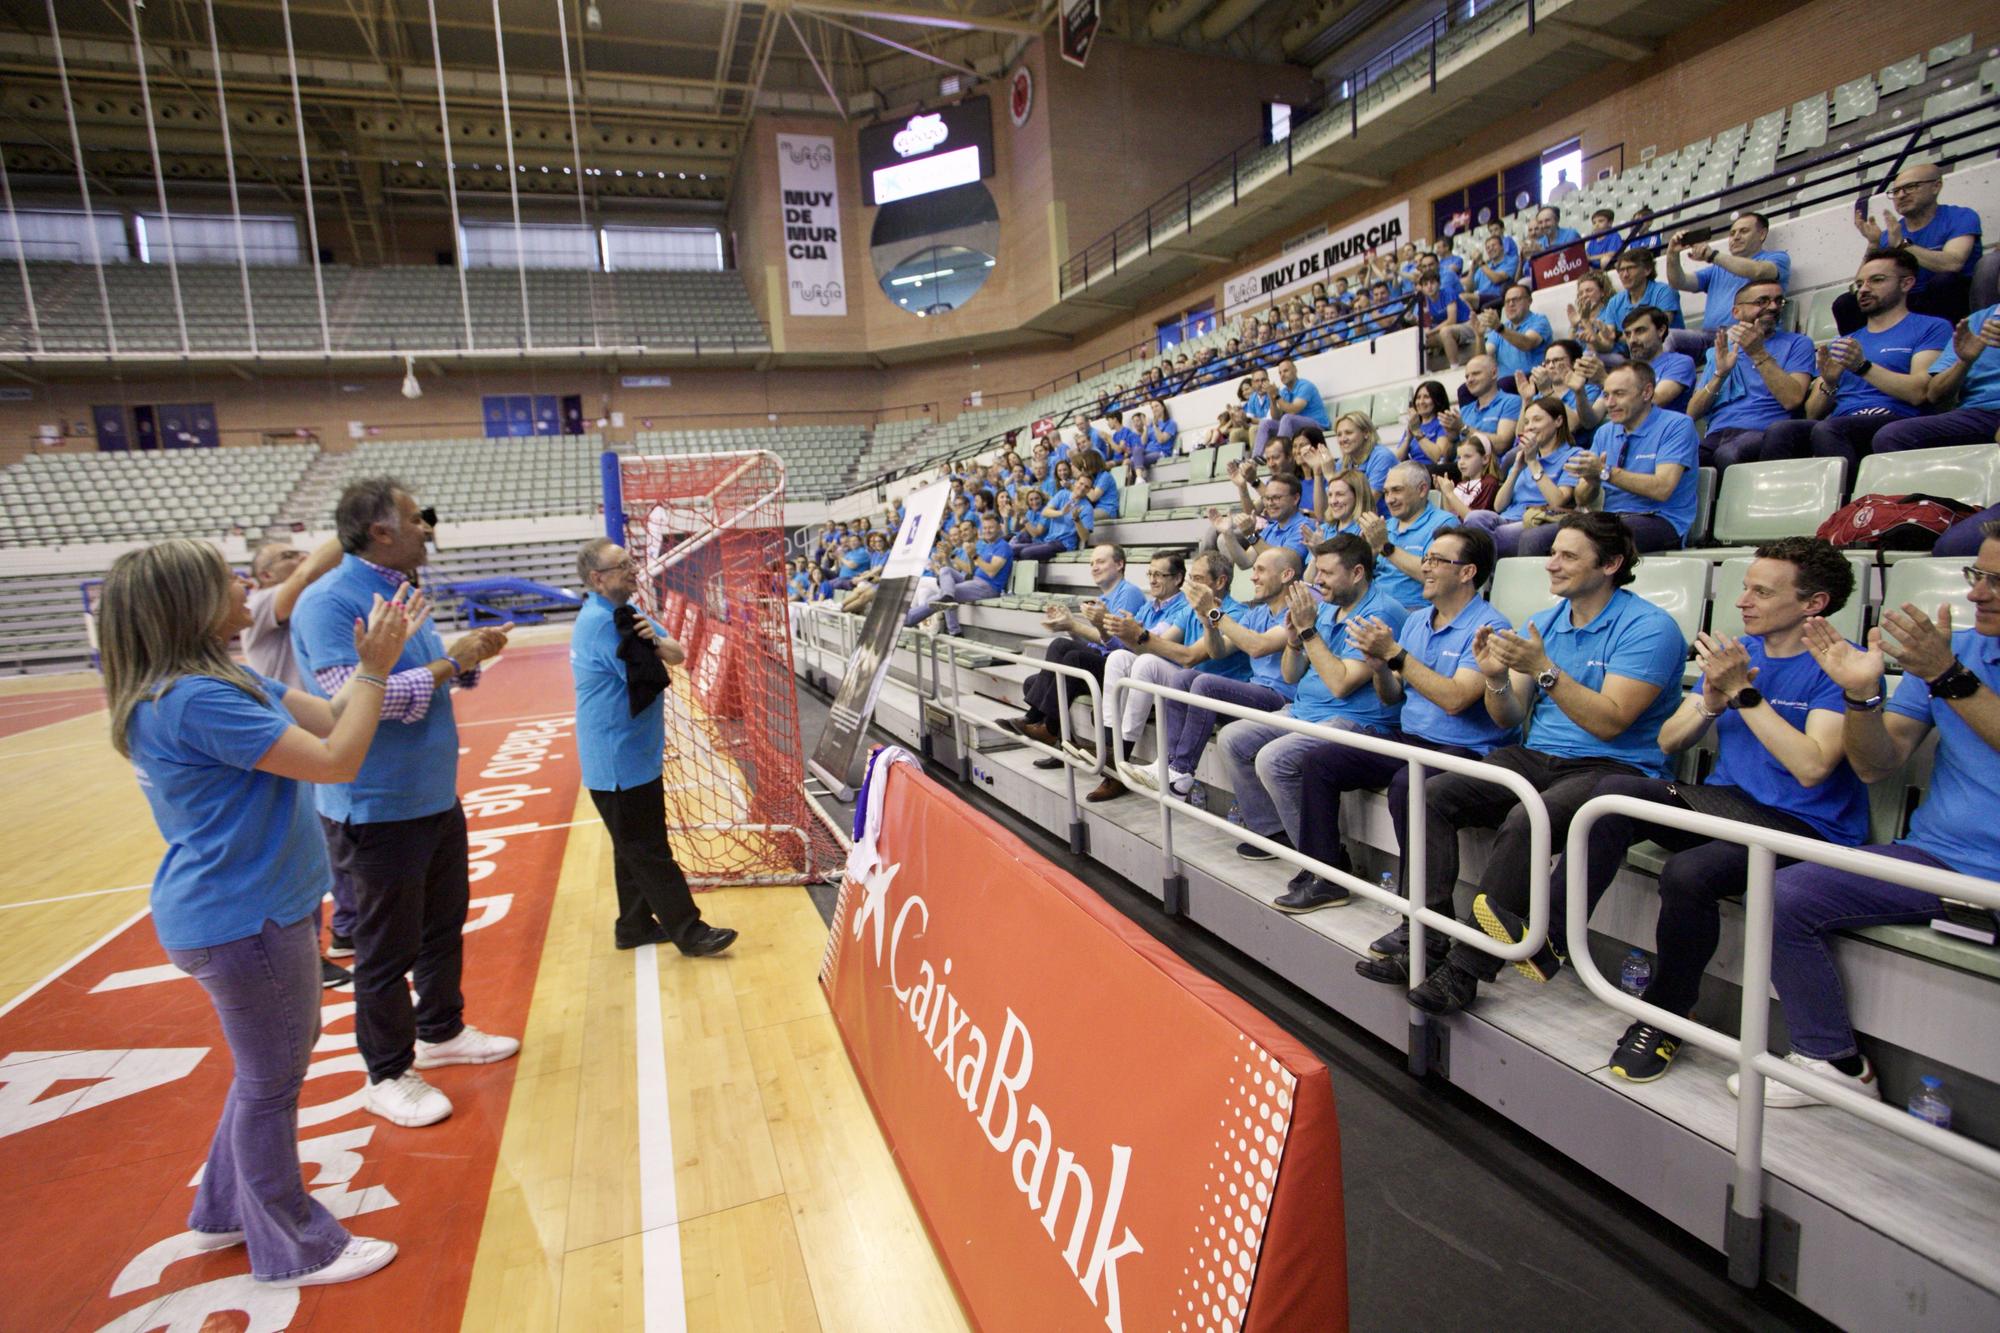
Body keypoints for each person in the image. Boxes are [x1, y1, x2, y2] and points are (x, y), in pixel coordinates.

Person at [105, 538, 422, 1288]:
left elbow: (334, 713)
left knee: (264, 1070)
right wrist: (376, 668)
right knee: (272, 1081)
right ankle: (294, 1244)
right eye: (226, 580)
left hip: (240, 910)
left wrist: (377, 664)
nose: (246, 586)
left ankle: (222, 1206)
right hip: (240, 918)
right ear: (186, 604)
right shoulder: (197, 699)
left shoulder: (218, 679)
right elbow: (340, 757)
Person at [1563, 539, 1868, 1082]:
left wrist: (1744, 695)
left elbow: (1813, 767)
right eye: (1745, 587)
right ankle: (1555, 937)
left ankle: (1665, 1015)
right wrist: (1710, 700)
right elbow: (1667, 741)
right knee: (1611, 795)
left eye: (1762, 591)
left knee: (1690, 872)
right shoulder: (1739, 659)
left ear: (1813, 604)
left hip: (1803, 827)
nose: (1744, 600)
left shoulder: (1837, 668)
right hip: (1731, 806)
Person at [1368, 513, 1687, 1006]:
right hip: (1538, 755)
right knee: (1427, 795)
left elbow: (1611, 723)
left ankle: (1465, 970)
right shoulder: (1546, 623)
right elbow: (1507, 716)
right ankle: (1427, 933)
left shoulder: (1650, 627)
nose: (1551, 565)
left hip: (1614, 770)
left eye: (1567, 556)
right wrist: (1496, 678)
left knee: (1525, 819)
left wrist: (1544, 669)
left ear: (1612, 564)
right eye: (1552, 553)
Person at [1742, 521, 2000, 1106]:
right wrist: (1862, 698)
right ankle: (1836, 1059)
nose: (1979, 593)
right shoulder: (1960, 650)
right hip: (1937, 857)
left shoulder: (1948, 664)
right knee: (1785, 893)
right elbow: (1878, 764)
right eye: (1977, 575)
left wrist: (1948, 677)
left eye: (1997, 581)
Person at [291, 478, 519, 1129]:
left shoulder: (400, 592)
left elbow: (416, 676)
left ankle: (441, 1030)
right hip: (374, 803)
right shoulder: (328, 603)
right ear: (382, 530)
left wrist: (466, 657)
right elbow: (362, 699)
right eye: (418, 518)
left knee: (443, 926)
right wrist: (449, 667)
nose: (429, 527)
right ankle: (387, 1071)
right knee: (386, 951)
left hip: (429, 795)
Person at [1279, 525, 1519, 913]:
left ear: (1467, 572)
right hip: (1413, 740)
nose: (1425, 567)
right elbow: (1394, 694)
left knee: (1409, 785)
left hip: (1463, 750)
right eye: (1425, 558)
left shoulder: (1491, 627)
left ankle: (1423, 917)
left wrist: (1396, 655)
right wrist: (1379, 669)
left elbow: (1456, 700)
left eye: (1437, 560)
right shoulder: (1417, 621)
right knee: (1320, 761)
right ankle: (1326, 876)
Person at [571, 539, 739, 956]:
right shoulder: (599, 623)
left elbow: (677, 655)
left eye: (631, 561)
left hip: (635, 753)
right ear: (598, 578)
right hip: (615, 759)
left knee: (633, 844)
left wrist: (657, 641)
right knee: (647, 849)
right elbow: (650, 674)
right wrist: (653, 649)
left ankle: (633, 927)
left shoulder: (627, 612)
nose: (633, 569)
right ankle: (689, 931)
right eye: (622, 565)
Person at [1218, 535, 1406, 862]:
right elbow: (1291, 675)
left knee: (1274, 759)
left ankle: (1324, 866)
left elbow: (1341, 684)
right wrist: (1293, 641)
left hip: (1358, 722)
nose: (1317, 580)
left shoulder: (1380, 612)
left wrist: (1307, 632)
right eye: (1316, 571)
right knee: (1233, 738)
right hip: (1305, 711)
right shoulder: (1329, 607)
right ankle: (1274, 833)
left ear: (1357, 573)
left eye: (1327, 573)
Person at [242, 536, 354, 985]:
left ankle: (344, 928)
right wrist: (354, 531)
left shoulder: (315, 605)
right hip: (285, 743)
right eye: (285, 556)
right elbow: (310, 573)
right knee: (304, 845)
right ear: (264, 575)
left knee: (329, 839)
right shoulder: (264, 603)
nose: (300, 559)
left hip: (308, 730)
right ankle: (311, 951)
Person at [1756, 249, 1952, 489]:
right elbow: (1812, 413)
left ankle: (1851, 513)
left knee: (1829, 430)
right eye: (1859, 283)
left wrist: (1862, 366)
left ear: (1907, 283)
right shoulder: (1844, 343)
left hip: (1895, 419)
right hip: (1842, 421)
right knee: (1780, 431)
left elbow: (1920, 392)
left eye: (1877, 280)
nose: (1864, 289)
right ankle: (1779, 511)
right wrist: (1829, 383)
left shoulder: (1931, 327)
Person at [1130, 546, 1303, 807]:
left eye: (1260, 570)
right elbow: (1218, 651)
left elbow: (1258, 646)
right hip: (1255, 691)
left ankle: (1183, 771)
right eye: (1253, 570)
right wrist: (1207, 622)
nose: (1253, 577)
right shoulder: (1257, 613)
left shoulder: (1295, 613)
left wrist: (1216, 615)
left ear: (1286, 574)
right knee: (1183, 678)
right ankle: (1165, 765)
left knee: (1204, 683)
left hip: (1281, 699)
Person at [996, 544, 1146, 755]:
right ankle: (1058, 743)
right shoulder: (1102, 599)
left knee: (1066, 651)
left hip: (1118, 668)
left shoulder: (1129, 593)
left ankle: (1042, 724)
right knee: (1035, 681)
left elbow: (1117, 643)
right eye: (1092, 563)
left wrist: (1074, 626)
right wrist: (1068, 625)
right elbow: (1093, 644)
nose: (1094, 567)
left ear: (1120, 564)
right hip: (1099, 662)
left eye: (1101, 561)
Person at [1542, 363, 1698, 556]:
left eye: (1619, 394)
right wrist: (1592, 480)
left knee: (1593, 540)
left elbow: (1662, 489)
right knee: (1535, 540)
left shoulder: (1677, 425)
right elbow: (1582, 498)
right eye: (1606, 395)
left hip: (1661, 520)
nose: (1610, 403)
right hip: (1610, 520)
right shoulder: (1604, 432)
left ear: (1647, 392)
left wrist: (1604, 472)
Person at [1087, 552, 1202, 800]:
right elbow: (1125, 646)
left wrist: (1134, 633)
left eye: (1160, 574)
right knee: (1118, 659)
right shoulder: (1149, 606)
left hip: (1174, 676)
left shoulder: (1182, 606)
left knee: (1146, 662)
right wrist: (1106, 626)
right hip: (1150, 676)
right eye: (1150, 573)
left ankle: (1121, 754)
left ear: (1178, 578)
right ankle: (1109, 744)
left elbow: (1151, 645)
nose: (1153, 579)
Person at [1684, 278, 1815, 473]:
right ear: (1737, 312)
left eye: (1778, 301)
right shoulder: (1720, 350)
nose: (1772, 307)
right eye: (1762, 301)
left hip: (1762, 432)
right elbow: (1692, 412)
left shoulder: (1798, 344)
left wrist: (1757, 352)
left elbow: (1793, 399)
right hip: (1717, 435)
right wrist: (1720, 374)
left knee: (1728, 454)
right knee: (1678, 464)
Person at [1844, 161, 1983, 324]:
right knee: (1846, 303)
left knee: (1944, 281)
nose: (1901, 195)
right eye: (1895, 191)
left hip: (1951, 295)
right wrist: (1873, 244)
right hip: (1906, 301)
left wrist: (1902, 245)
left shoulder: (1960, 216)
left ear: (1936, 187)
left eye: (1911, 187)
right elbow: (1861, 285)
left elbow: (1952, 263)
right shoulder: (1891, 232)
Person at [1871, 299, 2000, 459]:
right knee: (1892, 436)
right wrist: (1964, 362)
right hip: (1979, 414)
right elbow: (1934, 394)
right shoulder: (1976, 321)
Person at [1461, 396, 1582, 558]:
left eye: (1537, 420)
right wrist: (1517, 469)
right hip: (1507, 518)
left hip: (1536, 521)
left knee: (1482, 541)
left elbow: (1558, 500)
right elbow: (1498, 506)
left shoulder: (1573, 455)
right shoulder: (1524, 456)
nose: (1530, 427)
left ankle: (1489, 576)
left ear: (1558, 421)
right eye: (1526, 422)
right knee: (1474, 518)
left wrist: (1533, 463)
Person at [1664, 213, 1791, 359]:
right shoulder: (1718, 268)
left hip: (1750, 333)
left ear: (1762, 234)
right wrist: (1672, 254)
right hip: (1711, 336)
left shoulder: (1778, 258)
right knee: (1666, 337)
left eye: (1744, 231)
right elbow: (1679, 282)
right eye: (1732, 233)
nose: (1736, 237)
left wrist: (1713, 256)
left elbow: (1758, 271)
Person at [1359, 461, 1454, 620]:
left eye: (1396, 490)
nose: (1389, 500)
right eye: (1386, 492)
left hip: (1415, 611)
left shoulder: (1444, 523)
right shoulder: (1384, 525)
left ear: (1422, 489)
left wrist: (1385, 546)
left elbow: (1435, 576)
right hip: (1374, 606)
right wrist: (1368, 554)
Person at [907, 512, 1013, 635]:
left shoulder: (1003, 547)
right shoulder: (989, 546)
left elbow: (991, 572)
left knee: (941, 596)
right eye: (985, 528)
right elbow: (973, 570)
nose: (987, 531)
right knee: (945, 571)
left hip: (988, 587)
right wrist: (953, 555)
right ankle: (947, 597)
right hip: (974, 580)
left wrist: (974, 555)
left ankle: (911, 618)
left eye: (991, 527)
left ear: (999, 528)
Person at [1442, 354, 1520, 462]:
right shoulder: (1465, 410)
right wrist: (1451, 438)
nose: (1469, 380)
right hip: (1460, 469)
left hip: (1489, 470)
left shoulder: (1511, 402)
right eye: (1467, 376)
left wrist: (1464, 428)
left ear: (1494, 373)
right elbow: (1448, 457)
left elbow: (1502, 445)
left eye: (1476, 374)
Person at [1620, 305, 1696, 411]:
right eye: (1628, 334)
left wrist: (1604, 380)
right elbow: (1594, 418)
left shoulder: (1680, 362)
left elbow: (1656, 401)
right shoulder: (1622, 371)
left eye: (1640, 331)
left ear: (1661, 330)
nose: (1632, 340)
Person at [1251, 358, 1332, 453]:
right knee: (1265, 423)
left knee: (1287, 418)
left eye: (1286, 371)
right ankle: (1255, 459)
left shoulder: (1305, 386)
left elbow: (1293, 410)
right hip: (1297, 427)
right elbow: (1276, 417)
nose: (1282, 375)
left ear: (1295, 370)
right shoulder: (1284, 391)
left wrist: (1276, 395)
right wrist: (1271, 397)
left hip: (1317, 426)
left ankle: (1279, 454)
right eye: (1280, 373)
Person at [1603, 248, 1684, 339]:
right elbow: (1608, 337)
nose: (1625, 275)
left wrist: (1616, 337)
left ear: (1647, 270)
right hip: (1630, 352)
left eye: (1630, 268)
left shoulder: (1665, 292)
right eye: (1621, 270)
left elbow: (1658, 331)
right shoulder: (1614, 302)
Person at [1481, 283, 1552, 381]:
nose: (1511, 304)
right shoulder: (1500, 328)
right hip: (1503, 384)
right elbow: (1484, 357)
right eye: (1507, 301)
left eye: (1516, 299)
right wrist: (1479, 336)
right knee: (1465, 390)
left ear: (1529, 301)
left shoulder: (1540, 321)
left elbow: (1527, 343)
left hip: (1532, 379)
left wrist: (1499, 328)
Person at [1417, 272, 1476, 369]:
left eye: (1432, 283)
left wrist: (1431, 332)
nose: (1429, 287)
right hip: (1454, 330)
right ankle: (1426, 370)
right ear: (1422, 289)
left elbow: (1451, 320)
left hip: (1468, 324)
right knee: (1421, 339)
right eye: (1425, 284)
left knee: (1445, 331)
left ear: (1439, 284)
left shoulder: (1448, 292)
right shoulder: (1427, 302)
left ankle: (1454, 367)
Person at [1435, 436, 1499, 516]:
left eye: (1467, 456)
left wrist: (1450, 494)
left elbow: (1473, 519)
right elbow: (1450, 515)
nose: (1461, 462)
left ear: (1485, 459)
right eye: (1459, 458)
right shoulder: (1461, 484)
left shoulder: (1489, 483)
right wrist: (1444, 492)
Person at [1400, 381, 1455, 469]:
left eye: (1426, 397)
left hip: (1433, 473)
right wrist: (1408, 439)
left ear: (1437, 400)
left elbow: (1439, 458)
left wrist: (1417, 432)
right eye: (1418, 397)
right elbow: (1396, 461)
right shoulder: (1414, 424)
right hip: (1412, 472)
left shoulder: (1443, 423)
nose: (1421, 402)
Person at [1470, 232, 1520, 311]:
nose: (1490, 249)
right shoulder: (1483, 267)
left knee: (1464, 298)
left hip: (1497, 297)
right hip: (1480, 298)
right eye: (1488, 248)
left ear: (1502, 247)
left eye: (1493, 245)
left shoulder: (1511, 260)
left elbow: (1496, 279)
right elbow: (1470, 287)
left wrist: (1480, 262)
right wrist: (1472, 269)